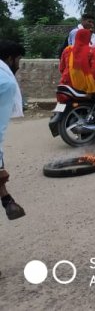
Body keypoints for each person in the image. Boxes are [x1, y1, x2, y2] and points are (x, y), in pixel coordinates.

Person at [0, 40, 26, 221]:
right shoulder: (6, 83)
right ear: (10, 59)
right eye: (18, 60)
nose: (19, 65)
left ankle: (7, 200)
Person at [59, 29, 95, 94]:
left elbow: (61, 68)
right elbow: (94, 71)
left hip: (66, 84)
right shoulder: (91, 51)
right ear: (88, 38)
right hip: (85, 87)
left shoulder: (67, 50)